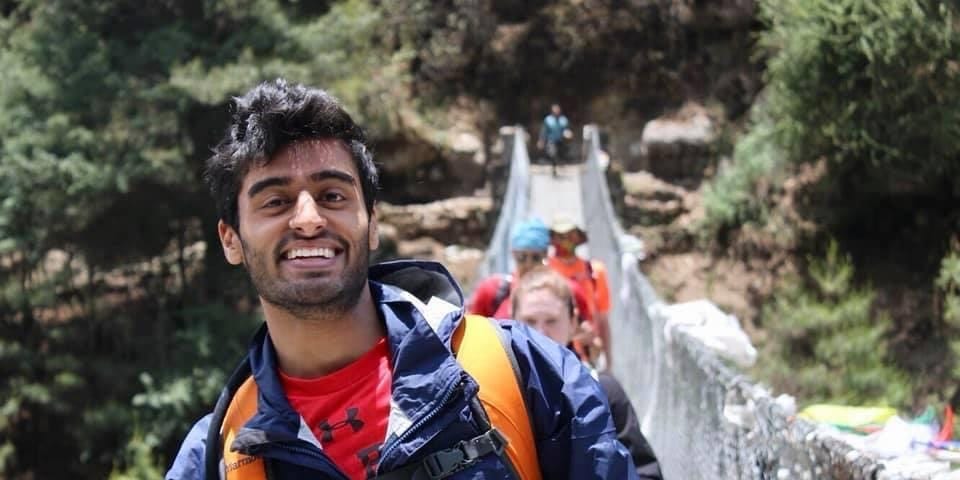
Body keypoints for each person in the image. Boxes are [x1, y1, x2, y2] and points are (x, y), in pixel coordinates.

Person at [165, 79, 637, 479]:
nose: (308, 219)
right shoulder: (217, 458)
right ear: (230, 240)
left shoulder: (526, 374)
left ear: (372, 223)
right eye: (275, 201)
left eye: (332, 195)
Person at [511, 268, 663, 479]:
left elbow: (645, 471)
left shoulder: (604, 391)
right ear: (510, 324)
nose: (540, 333)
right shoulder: (496, 392)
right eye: (529, 322)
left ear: (573, 323)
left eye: (552, 321)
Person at [467, 218, 591, 324]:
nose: (528, 264)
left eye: (536, 257)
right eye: (521, 258)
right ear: (513, 254)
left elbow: (590, 337)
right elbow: (472, 333)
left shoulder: (570, 291)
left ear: (546, 255)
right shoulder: (491, 290)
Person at [548, 214, 613, 370]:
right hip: (555, 354)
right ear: (552, 239)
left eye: (570, 235)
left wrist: (609, 360)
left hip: (588, 355)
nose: (565, 241)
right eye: (560, 236)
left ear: (578, 238)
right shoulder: (544, 271)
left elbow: (602, 318)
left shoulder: (594, 271)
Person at [536, 103, 573, 176]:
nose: (556, 111)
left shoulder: (563, 119)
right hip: (551, 140)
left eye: (557, 109)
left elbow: (567, 129)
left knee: (560, 154)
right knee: (552, 153)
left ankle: (559, 164)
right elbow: (544, 131)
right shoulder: (548, 119)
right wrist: (541, 140)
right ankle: (554, 167)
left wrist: (569, 133)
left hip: (561, 141)